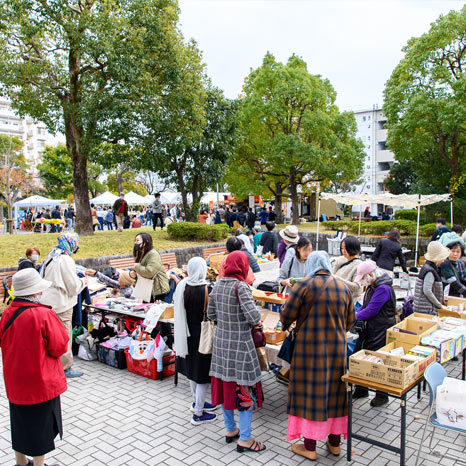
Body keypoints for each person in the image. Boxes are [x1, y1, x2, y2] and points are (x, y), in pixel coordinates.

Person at [281, 251, 355, 461]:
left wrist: (287, 324)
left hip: (309, 350)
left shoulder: (303, 285)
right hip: (337, 350)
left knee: (309, 394)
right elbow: (351, 321)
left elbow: (287, 315)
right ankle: (334, 444)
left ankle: (310, 446)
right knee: (334, 392)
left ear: (311, 265)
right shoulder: (343, 287)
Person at [0, 269, 68, 466]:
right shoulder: (43, 314)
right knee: (42, 427)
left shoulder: (7, 314)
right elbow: (59, 347)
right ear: (35, 292)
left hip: (15, 381)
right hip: (41, 382)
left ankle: (21, 463)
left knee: (19, 424)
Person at [207, 251, 266, 453]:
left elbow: (211, 314)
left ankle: (231, 430)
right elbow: (253, 317)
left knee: (226, 386)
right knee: (244, 389)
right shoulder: (241, 287)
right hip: (241, 346)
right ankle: (246, 439)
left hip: (221, 346)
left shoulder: (217, 285)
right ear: (242, 266)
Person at [174, 257, 217, 425]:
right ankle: (198, 413)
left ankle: (196, 402)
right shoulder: (207, 289)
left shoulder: (183, 286)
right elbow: (213, 314)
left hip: (187, 333)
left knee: (193, 369)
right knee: (202, 374)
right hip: (203, 334)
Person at [39, 233, 86, 378]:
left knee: (49, 335)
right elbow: (72, 286)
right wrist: (83, 282)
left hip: (46, 301)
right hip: (61, 303)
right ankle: (65, 367)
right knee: (64, 335)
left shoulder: (53, 255)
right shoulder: (65, 259)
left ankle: (50, 364)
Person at [353, 260, 397, 406]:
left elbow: (371, 310)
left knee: (378, 362)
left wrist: (352, 316)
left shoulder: (382, 288)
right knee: (360, 355)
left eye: (364, 278)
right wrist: (354, 313)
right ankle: (361, 388)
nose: (363, 282)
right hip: (371, 328)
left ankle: (382, 395)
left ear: (370, 274)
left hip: (381, 329)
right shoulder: (374, 286)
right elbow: (365, 307)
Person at [128, 233, 170, 301]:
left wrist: (137, 266)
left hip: (157, 291)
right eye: (135, 241)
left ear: (145, 242)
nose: (135, 243)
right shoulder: (141, 253)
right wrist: (134, 275)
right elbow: (142, 272)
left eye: (137, 240)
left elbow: (149, 272)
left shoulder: (153, 254)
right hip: (147, 291)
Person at [413, 241, 450, 315]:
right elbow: (427, 290)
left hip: (424, 307)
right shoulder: (430, 270)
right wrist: (439, 305)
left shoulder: (428, 267)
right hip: (426, 309)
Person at [332, 236, 364, 303]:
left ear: (353, 248)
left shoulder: (359, 264)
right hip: (338, 299)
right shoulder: (341, 260)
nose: (343, 251)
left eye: (346, 248)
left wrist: (339, 279)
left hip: (351, 302)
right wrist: (336, 265)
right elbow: (332, 276)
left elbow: (357, 287)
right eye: (342, 248)